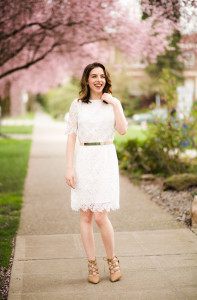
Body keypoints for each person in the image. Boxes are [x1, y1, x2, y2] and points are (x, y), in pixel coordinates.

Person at [65, 62, 128, 284]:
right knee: (86, 215)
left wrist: (114, 103)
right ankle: (92, 265)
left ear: (106, 79)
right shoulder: (77, 105)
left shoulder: (112, 103)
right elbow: (71, 136)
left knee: (101, 215)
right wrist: (69, 167)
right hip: (84, 159)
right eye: (94, 76)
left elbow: (122, 130)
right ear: (87, 80)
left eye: (102, 76)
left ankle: (112, 261)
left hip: (106, 158)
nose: (98, 80)